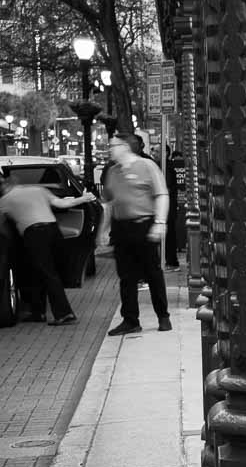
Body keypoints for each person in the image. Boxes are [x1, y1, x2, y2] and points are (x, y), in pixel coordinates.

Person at [0, 166, 96, 326]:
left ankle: (64, 314)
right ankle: (38, 312)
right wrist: (83, 199)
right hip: (54, 231)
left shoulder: (4, 201)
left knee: (46, 273)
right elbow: (62, 204)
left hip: (34, 235)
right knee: (39, 271)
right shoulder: (37, 190)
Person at [101, 132, 171, 335]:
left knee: (152, 272)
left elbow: (161, 194)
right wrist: (103, 231)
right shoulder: (112, 171)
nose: (110, 149)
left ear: (125, 147)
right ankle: (130, 320)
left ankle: (163, 316)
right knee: (126, 276)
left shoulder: (147, 166)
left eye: (113, 146)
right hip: (122, 227)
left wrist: (159, 222)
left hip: (144, 225)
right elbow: (109, 203)